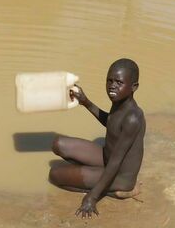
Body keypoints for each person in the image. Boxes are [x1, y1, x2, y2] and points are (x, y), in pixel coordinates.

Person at [49, 58, 146, 218]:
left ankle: (117, 191)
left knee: (54, 175)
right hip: (106, 157)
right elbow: (111, 123)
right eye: (109, 80)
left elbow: (115, 162)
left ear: (134, 87)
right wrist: (86, 102)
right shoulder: (119, 102)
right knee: (57, 144)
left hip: (119, 175)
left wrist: (92, 198)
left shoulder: (133, 118)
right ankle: (93, 176)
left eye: (119, 82)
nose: (112, 86)